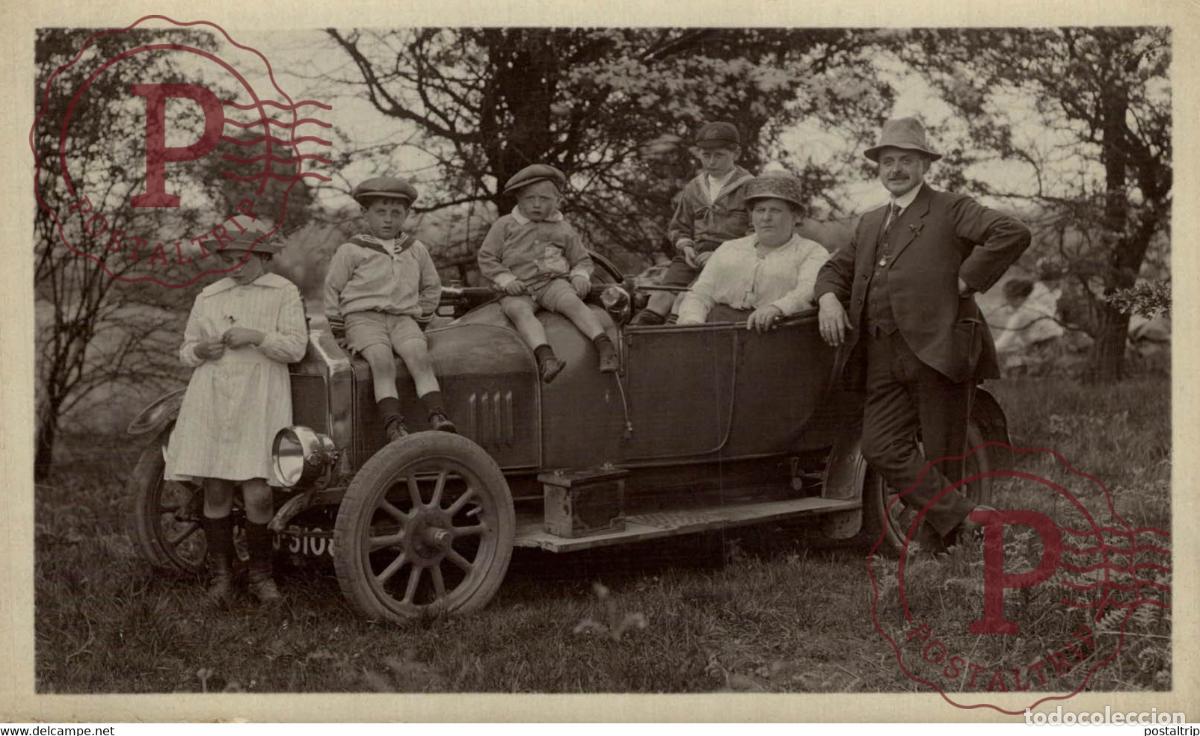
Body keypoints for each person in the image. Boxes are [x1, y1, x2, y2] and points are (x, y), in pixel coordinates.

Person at [813, 117, 1031, 554]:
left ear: (924, 165)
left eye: (906, 161)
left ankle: (941, 549)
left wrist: (966, 280)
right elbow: (836, 268)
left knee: (942, 452)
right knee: (880, 446)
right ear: (879, 168)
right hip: (880, 353)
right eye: (888, 161)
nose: (895, 169)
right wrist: (828, 299)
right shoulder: (871, 222)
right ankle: (966, 518)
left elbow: (1012, 232)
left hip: (940, 347)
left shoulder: (951, 207)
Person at [164, 217, 308, 604]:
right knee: (216, 487)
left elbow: (296, 347)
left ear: (262, 256)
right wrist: (200, 350)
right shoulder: (210, 296)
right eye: (228, 260)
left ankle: (262, 576)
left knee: (258, 491)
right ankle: (223, 578)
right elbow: (186, 349)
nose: (235, 267)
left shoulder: (282, 292)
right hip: (213, 396)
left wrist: (257, 336)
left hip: (260, 398)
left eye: (242, 259)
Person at [324, 176, 456, 441]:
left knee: (419, 356)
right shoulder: (352, 250)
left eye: (396, 213)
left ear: (406, 214)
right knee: (381, 361)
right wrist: (340, 331)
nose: (388, 220)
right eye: (380, 212)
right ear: (365, 213)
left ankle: (437, 415)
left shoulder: (415, 249)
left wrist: (421, 321)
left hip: (403, 319)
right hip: (363, 319)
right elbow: (332, 289)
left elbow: (432, 286)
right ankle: (393, 424)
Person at [477, 163, 618, 382]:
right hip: (518, 288)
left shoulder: (563, 228)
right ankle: (546, 357)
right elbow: (487, 257)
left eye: (544, 199)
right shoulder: (505, 225)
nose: (536, 204)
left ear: (557, 200)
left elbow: (581, 259)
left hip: (552, 283)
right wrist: (506, 280)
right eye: (529, 198)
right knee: (518, 311)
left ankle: (604, 345)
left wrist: (580, 276)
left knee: (572, 302)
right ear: (518, 199)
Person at [631, 121, 755, 326]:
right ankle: (642, 330)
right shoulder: (694, 188)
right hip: (694, 255)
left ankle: (673, 331)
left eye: (719, 155)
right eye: (706, 155)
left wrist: (721, 255)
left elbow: (755, 232)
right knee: (661, 297)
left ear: (736, 153)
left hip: (733, 258)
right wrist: (686, 247)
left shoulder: (750, 186)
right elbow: (679, 227)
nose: (711, 162)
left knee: (688, 296)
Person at [676, 174, 828, 330]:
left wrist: (777, 308)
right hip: (718, 330)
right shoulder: (729, 248)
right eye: (760, 210)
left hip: (777, 331)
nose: (766, 217)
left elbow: (807, 291)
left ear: (795, 216)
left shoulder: (811, 252)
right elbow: (701, 293)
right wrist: (692, 321)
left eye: (775, 211)